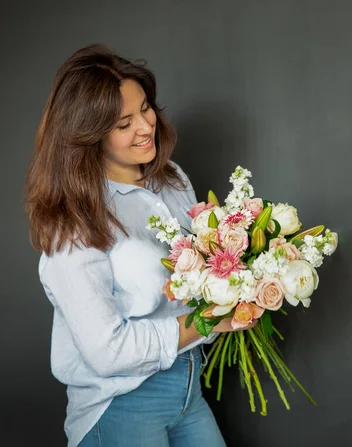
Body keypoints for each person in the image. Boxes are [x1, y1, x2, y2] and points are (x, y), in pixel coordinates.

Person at [25, 44, 251, 447]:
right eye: (122, 123)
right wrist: (208, 321)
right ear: (87, 134)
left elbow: (195, 280)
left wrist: (239, 288)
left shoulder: (173, 179)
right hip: (119, 407)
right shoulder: (75, 222)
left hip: (188, 390)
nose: (145, 127)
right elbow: (107, 351)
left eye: (145, 108)